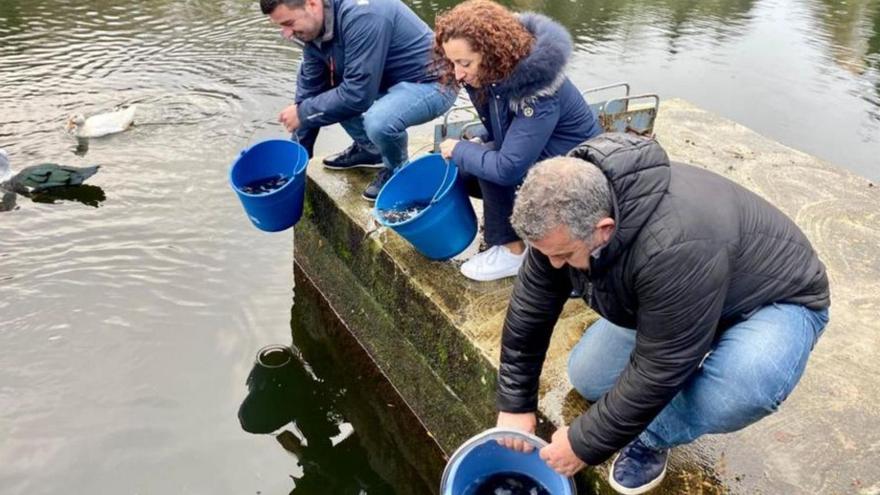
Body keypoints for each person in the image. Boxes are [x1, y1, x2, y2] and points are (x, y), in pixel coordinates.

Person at [495, 133, 830, 494]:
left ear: (603, 230)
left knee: (742, 389)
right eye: (546, 254)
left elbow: (662, 364)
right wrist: (515, 402)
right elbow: (529, 313)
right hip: (677, 298)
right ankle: (690, 346)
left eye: (563, 255)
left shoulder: (674, 243)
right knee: (588, 378)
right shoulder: (560, 224)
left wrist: (585, 442)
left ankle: (654, 437)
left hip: (771, 301)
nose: (554, 265)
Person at [434, 0, 602, 281]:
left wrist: (462, 148)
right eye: (452, 62)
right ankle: (511, 229)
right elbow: (509, 126)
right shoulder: (495, 73)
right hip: (542, 157)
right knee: (468, 165)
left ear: (492, 53)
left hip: (575, 178)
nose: (458, 73)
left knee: (486, 163)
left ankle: (512, 252)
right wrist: (481, 138)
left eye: (464, 63)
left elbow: (508, 166)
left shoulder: (538, 91)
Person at [260, 0, 457, 200]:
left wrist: (303, 113)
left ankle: (397, 171)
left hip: (433, 84)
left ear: (312, 4)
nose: (285, 33)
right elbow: (310, 94)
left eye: (288, 23)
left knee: (379, 121)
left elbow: (357, 96)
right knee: (322, 93)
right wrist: (297, 163)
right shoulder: (312, 32)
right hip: (381, 82)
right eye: (280, 26)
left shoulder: (365, 14)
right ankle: (370, 150)